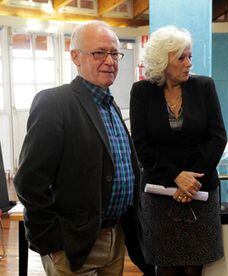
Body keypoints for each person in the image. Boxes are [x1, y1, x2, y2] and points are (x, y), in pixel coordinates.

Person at [13, 20, 150, 275]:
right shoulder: (55, 103)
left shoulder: (110, 106)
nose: (110, 61)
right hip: (74, 244)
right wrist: (54, 242)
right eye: (100, 52)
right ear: (75, 56)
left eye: (114, 53)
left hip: (116, 237)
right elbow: (29, 182)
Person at [129, 25, 227, 276]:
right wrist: (175, 176)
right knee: (165, 268)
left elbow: (217, 138)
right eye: (181, 58)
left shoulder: (205, 87)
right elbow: (141, 144)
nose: (189, 64)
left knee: (195, 268)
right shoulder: (141, 92)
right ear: (162, 61)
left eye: (190, 56)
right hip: (160, 192)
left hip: (200, 191)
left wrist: (189, 181)